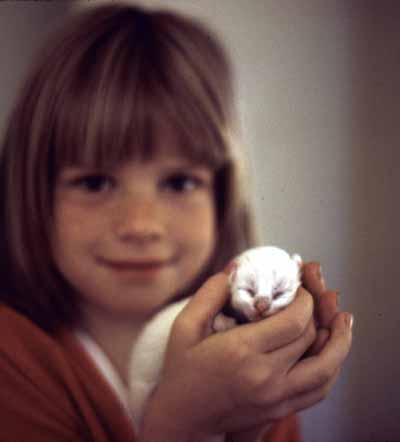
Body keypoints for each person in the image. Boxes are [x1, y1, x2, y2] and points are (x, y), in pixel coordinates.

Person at [0, 3, 352, 442]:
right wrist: (185, 425)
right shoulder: (11, 358)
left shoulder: (259, 365)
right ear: (34, 191)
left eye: (179, 182)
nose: (141, 224)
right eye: (94, 182)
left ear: (222, 195)